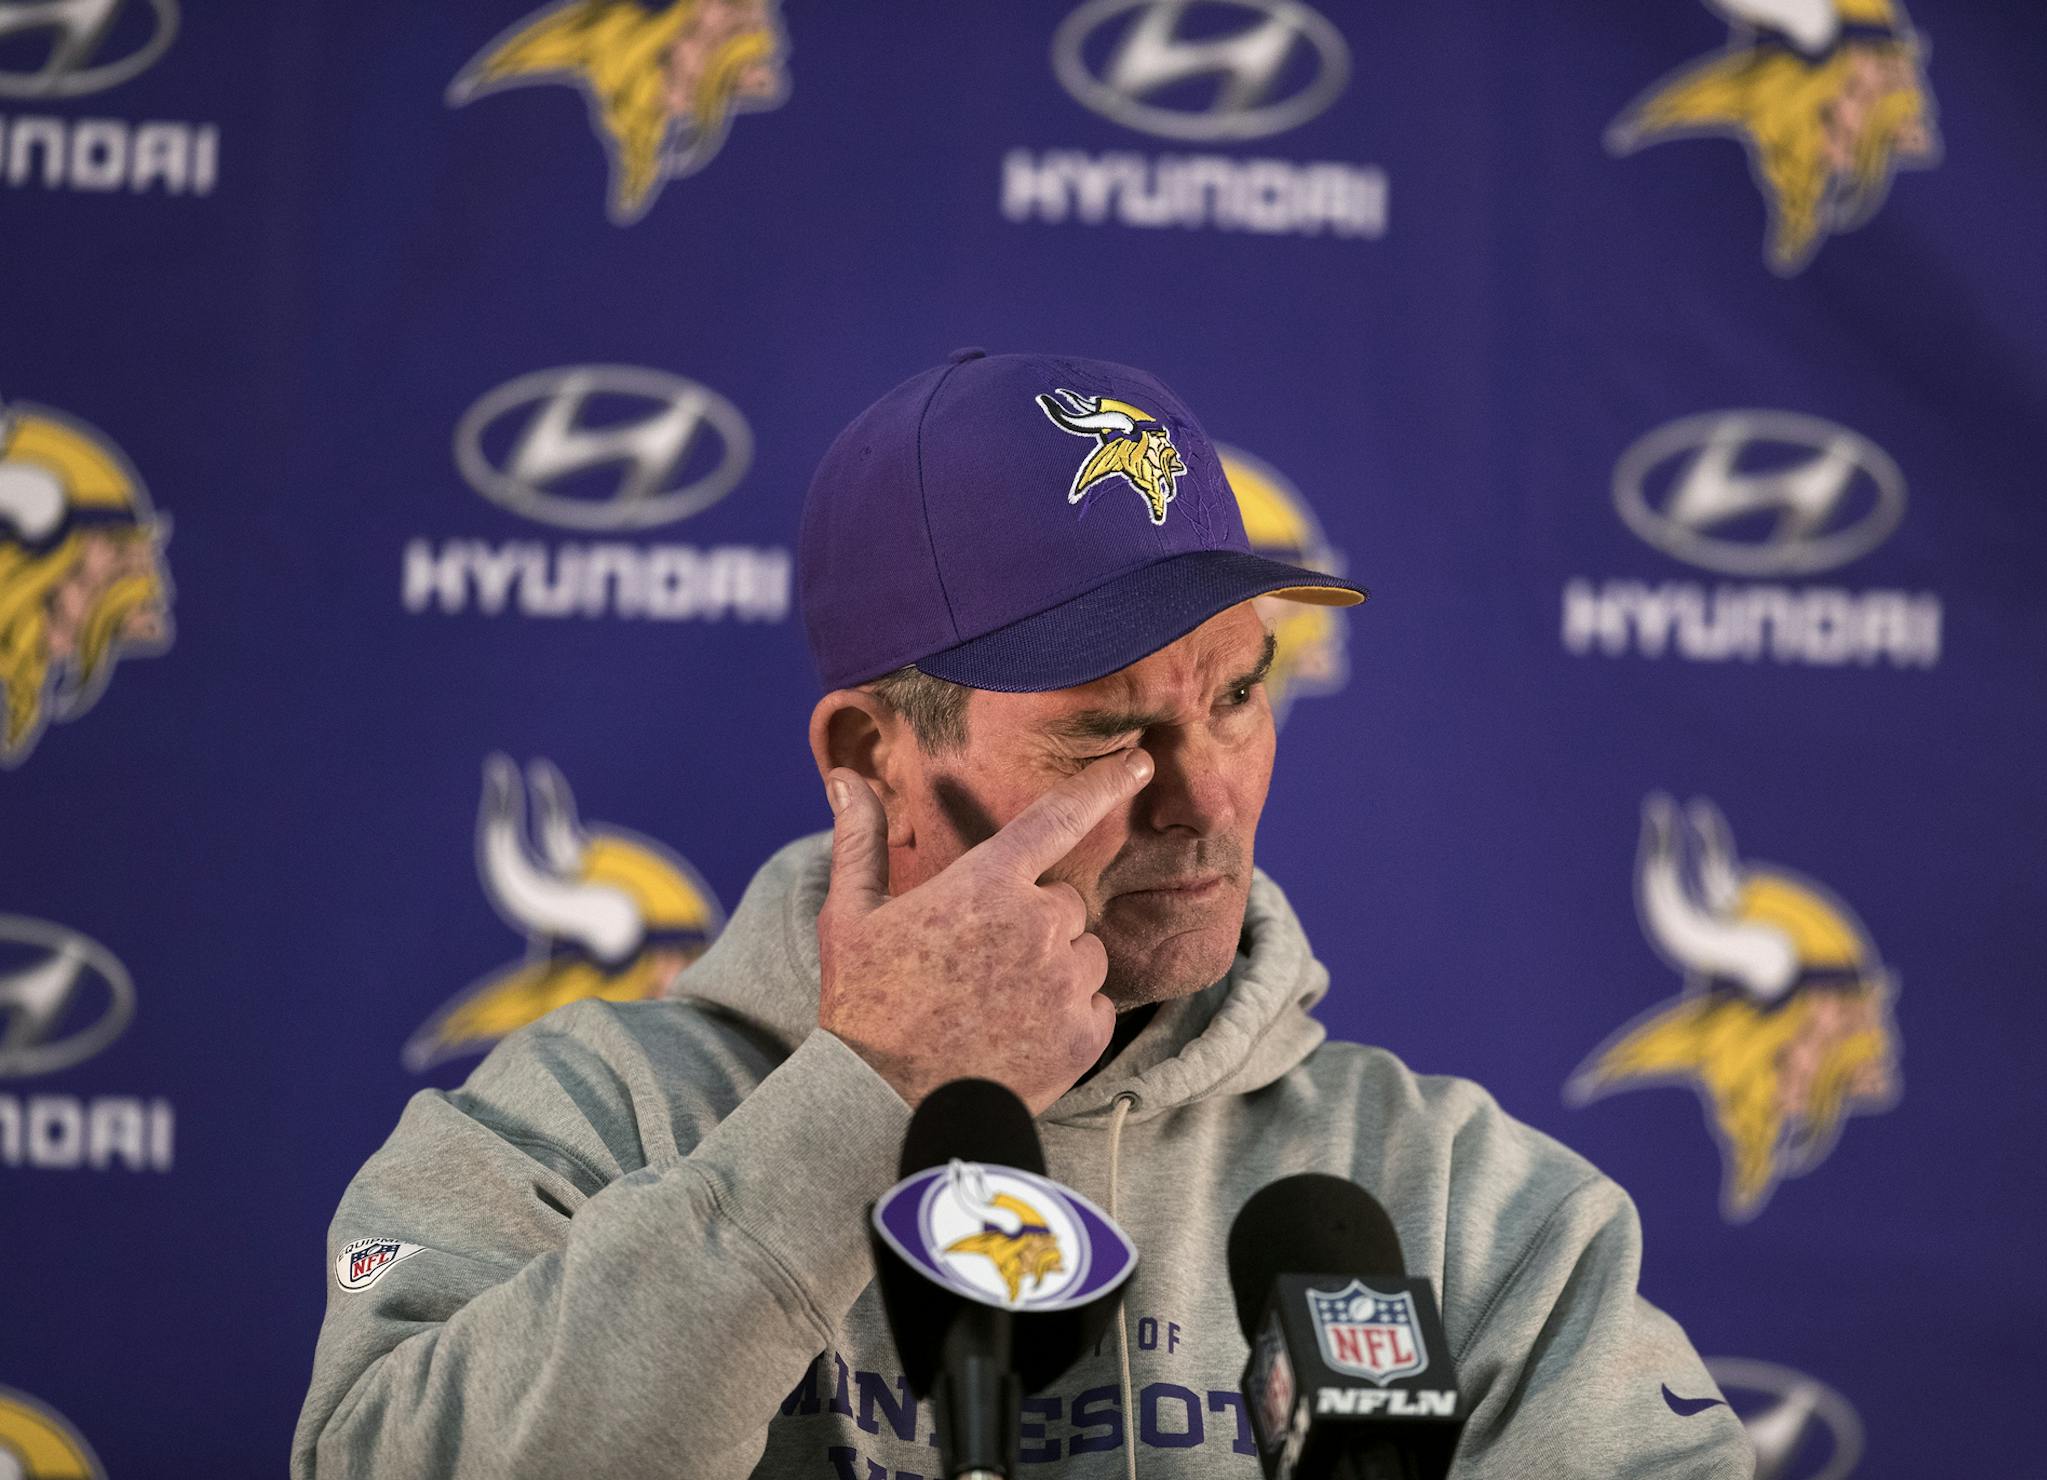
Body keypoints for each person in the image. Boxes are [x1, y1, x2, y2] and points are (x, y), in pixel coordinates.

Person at [294, 350, 1751, 1478]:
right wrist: (858, 1106)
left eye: (1238, 697)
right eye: (1103, 734)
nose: (1204, 798)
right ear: (875, 761)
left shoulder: (1455, 1205)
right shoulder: (585, 1127)